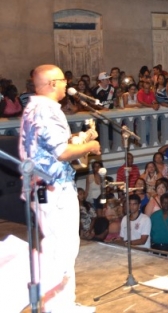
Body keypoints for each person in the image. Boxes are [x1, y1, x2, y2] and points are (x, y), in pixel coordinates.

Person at [19, 64, 101, 313]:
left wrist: (80, 137)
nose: (67, 83)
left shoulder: (34, 108)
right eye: (63, 80)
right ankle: (61, 306)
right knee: (63, 248)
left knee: (56, 246)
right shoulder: (46, 110)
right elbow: (62, 152)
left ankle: (58, 303)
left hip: (44, 189)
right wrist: (91, 146)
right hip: (55, 190)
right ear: (52, 83)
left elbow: (51, 146)